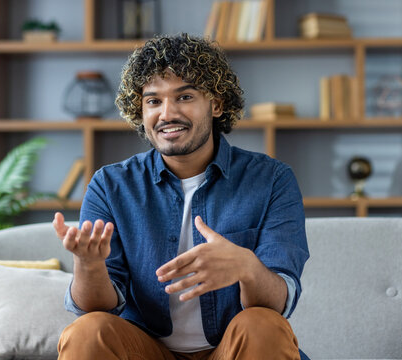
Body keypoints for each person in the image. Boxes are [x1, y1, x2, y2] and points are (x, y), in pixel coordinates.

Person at [53, 33, 310, 360]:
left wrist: (247, 267)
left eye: (185, 97)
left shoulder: (272, 180)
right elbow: (95, 308)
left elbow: (278, 306)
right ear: (140, 111)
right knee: (86, 332)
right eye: (153, 101)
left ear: (216, 104)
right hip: (146, 350)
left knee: (262, 324)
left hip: (232, 350)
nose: (167, 114)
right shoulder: (111, 185)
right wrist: (87, 264)